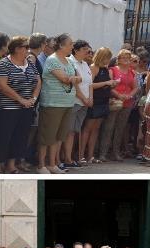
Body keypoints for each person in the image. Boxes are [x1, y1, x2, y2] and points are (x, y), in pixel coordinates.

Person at [0, 36, 41, 174]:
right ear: (17, 49)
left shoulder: (29, 63)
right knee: (3, 136)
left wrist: (33, 98)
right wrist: (20, 99)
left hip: (26, 108)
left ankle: (11, 165)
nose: (28, 50)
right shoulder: (4, 64)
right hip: (6, 108)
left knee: (20, 136)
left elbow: (38, 80)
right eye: (25, 46)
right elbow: (1, 85)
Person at [37, 33, 79, 174]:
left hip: (67, 103)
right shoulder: (52, 60)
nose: (72, 46)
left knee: (58, 135)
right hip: (52, 103)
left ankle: (52, 164)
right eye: (70, 44)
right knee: (47, 135)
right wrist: (72, 78)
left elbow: (77, 77)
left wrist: (72, 78)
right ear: (61, 45)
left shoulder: (70, 61)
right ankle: (41, 165)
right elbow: (65, 78)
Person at [100, 49, 138, 162]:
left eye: (128, 57)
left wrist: (129, 95)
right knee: (108, 128)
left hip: (127, 103)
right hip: (114, 102)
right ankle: (103, 153)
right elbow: (110, 86)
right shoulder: (113, 70)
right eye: (123, 57)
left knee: (120, 129)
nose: (126, 59)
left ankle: (116, 152)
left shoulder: (132, 72)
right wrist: (119, 95)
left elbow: (135, 87)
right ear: (118, 60)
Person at [80, 47, 116, 163]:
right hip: (94, 101)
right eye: (107, 58)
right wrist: (106, 83)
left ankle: (90, 156)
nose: (108, 60)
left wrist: (112, 84)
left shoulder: (105, 69)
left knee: (96, 129)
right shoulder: (93, 68)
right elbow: (90, 85)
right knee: (87, 128)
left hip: (103, 101)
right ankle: (81, 156)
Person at [63, 40, 92, 169]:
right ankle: (66, 159)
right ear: (76, 50)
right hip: (75, 101)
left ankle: (73, 157)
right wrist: (83, 98)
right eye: (85, 49)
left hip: (84, 102)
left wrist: (90, 98)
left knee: (75, 131)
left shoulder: (85, 64)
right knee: (69, 131)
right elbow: (74, 85)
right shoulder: (70, 62)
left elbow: (90, 83)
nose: (88, 51)